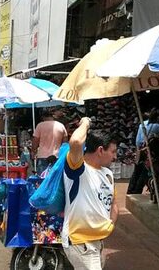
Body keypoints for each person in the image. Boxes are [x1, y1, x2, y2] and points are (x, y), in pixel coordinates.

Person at [63, 118, 119, 270]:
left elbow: (113, 202)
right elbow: (75, 143)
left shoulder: (107, 173)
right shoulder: (78, 169)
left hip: (98, 243)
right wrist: (85, 123)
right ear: (100, 150)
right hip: (80, 243)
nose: (115, 157)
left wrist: (110, 225)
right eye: (113, 151)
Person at [32, 109, 68, 174]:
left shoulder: (40, 126)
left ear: (43, 117)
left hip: (42, 156)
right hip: (57, 156)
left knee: (42, 178)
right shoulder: (61, 125)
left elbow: (35, 141)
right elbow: (65, 143)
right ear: (52, 116)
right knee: (55, 178)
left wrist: (33, 151)